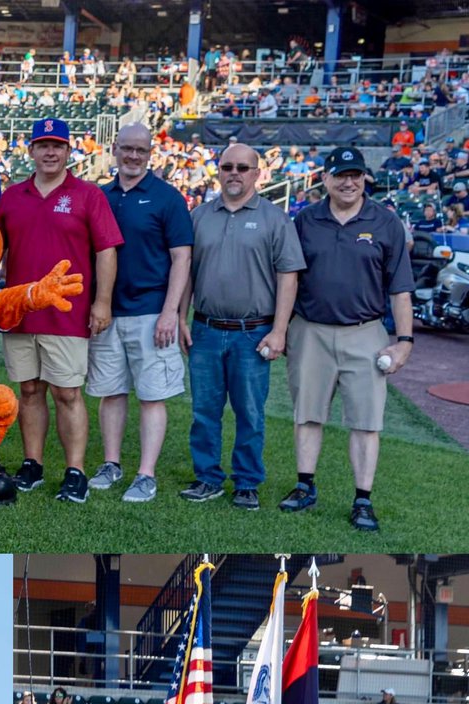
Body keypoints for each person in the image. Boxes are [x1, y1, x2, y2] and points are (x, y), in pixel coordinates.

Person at [279, 146, 415, 532]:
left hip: (365, 332)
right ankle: (305, 486)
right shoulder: (305, 220)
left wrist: (404, 340)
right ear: (325, 179)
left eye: (355, 175)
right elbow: (289, 280)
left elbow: (400, 289)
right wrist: (281, 326)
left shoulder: (386, 223)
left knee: (366, 422)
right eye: (340, 175)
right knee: (307, 414)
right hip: (310, 330)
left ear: (364, 179)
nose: (349, 182)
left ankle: (362, 500)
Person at [0, 118, 122, 502]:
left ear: (69, 152)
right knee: (29, 390)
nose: (50, 152)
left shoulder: (88, 195)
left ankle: (75, 471)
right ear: (31, 151)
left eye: (58, 146)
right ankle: (32, 464)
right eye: (43, 145)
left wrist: (102, 302)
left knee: (67, 392)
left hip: (67, 313)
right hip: (21, 311)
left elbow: (106, 250)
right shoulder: (12, 196)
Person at [177, 141, 305, 510]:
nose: (234, 173)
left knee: (250, 412)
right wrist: (181, 317)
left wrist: (279, 331)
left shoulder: (274, 218)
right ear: (219, 170)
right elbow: (186, 273)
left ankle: (247, 482)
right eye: (228, 166)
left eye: (243, 168)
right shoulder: (200, 215)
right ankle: (207, 478)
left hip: (253, 333)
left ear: (257, 173)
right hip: (205, 329)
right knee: (204, 412)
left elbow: (288, 278)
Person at [85, 123, 192, 503]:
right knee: (110, 392)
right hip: (108, 312)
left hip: (150, 312)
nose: (133, 156)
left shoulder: (167, 198)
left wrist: (170, 312)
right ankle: (111, 464)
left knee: (151, 395)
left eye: (140, 150)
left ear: (150, 153)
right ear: (114, 149)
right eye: (126, 149)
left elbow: (182, 258)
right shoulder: (101, 196)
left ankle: (146, 474)